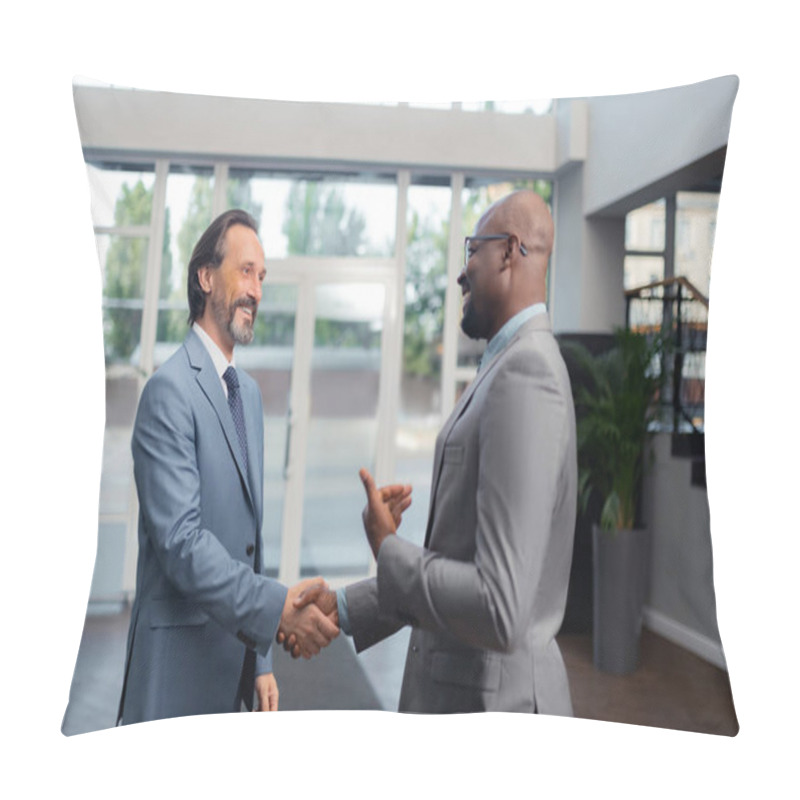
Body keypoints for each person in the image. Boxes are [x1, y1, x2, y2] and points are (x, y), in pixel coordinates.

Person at [282, 189, 577, 715]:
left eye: (472, 251)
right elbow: (460, 564)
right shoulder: (503, 366)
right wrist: (344, 608)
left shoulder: (526, 373)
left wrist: (389, 547)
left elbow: (499, 605)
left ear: (509, 253)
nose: (462, 273)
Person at [117, 209, 341, 724]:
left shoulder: (252, 397)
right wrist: (277, 608)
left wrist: (260, 657)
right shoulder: (168, 391)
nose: (256, 291)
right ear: (205, 277)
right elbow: (182, 544)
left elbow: (248, 544)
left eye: (262, 277)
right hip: (176, 669)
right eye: (245, 271)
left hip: (232, 662)